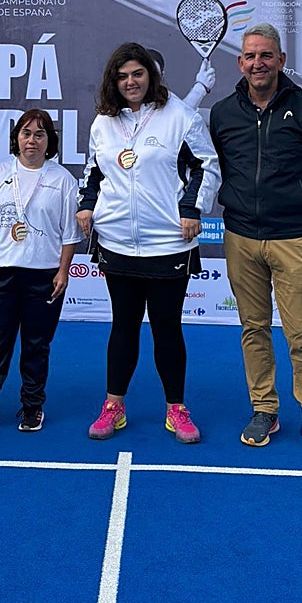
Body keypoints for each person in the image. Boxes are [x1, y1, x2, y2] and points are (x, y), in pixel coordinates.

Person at [77, 42, 220, 444]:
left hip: (167, 244)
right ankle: (113, 407)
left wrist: (192, 208)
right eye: (122, 76)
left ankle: (176, 408)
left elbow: (206, 167)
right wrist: (86, 205)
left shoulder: (180, 115)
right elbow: (94, 171)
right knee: (122, 327)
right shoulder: (103, 122)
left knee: (167, 328)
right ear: (113, 81)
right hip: (117, 242)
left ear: (150, 76)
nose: (130, 82)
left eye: (137, 74)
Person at [209, 23, 302, 454]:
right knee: (254, 328)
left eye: (266, 55)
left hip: (292, 239)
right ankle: (264, 407)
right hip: (241, 237)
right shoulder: (224, 113)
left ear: (281, 61)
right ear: (240, 62)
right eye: (250, 56)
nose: (258, 63)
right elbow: (218, 170)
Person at [0, 109, 82, 434]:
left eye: (39, 134)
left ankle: (32, 407)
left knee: (37, 345)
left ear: (49, 141)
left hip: (45, 276)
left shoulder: (63, 180)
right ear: (17, 139)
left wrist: (63, 272)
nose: (32, 140)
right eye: (26, 133)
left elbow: (70, 233)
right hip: (0, 274)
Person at [148, 48, 216, 110]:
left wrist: (201, 86)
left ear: (161, 76)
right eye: (140, 73)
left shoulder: (167, 101)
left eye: (154, 74)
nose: (148, 78)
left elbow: (180, 115)